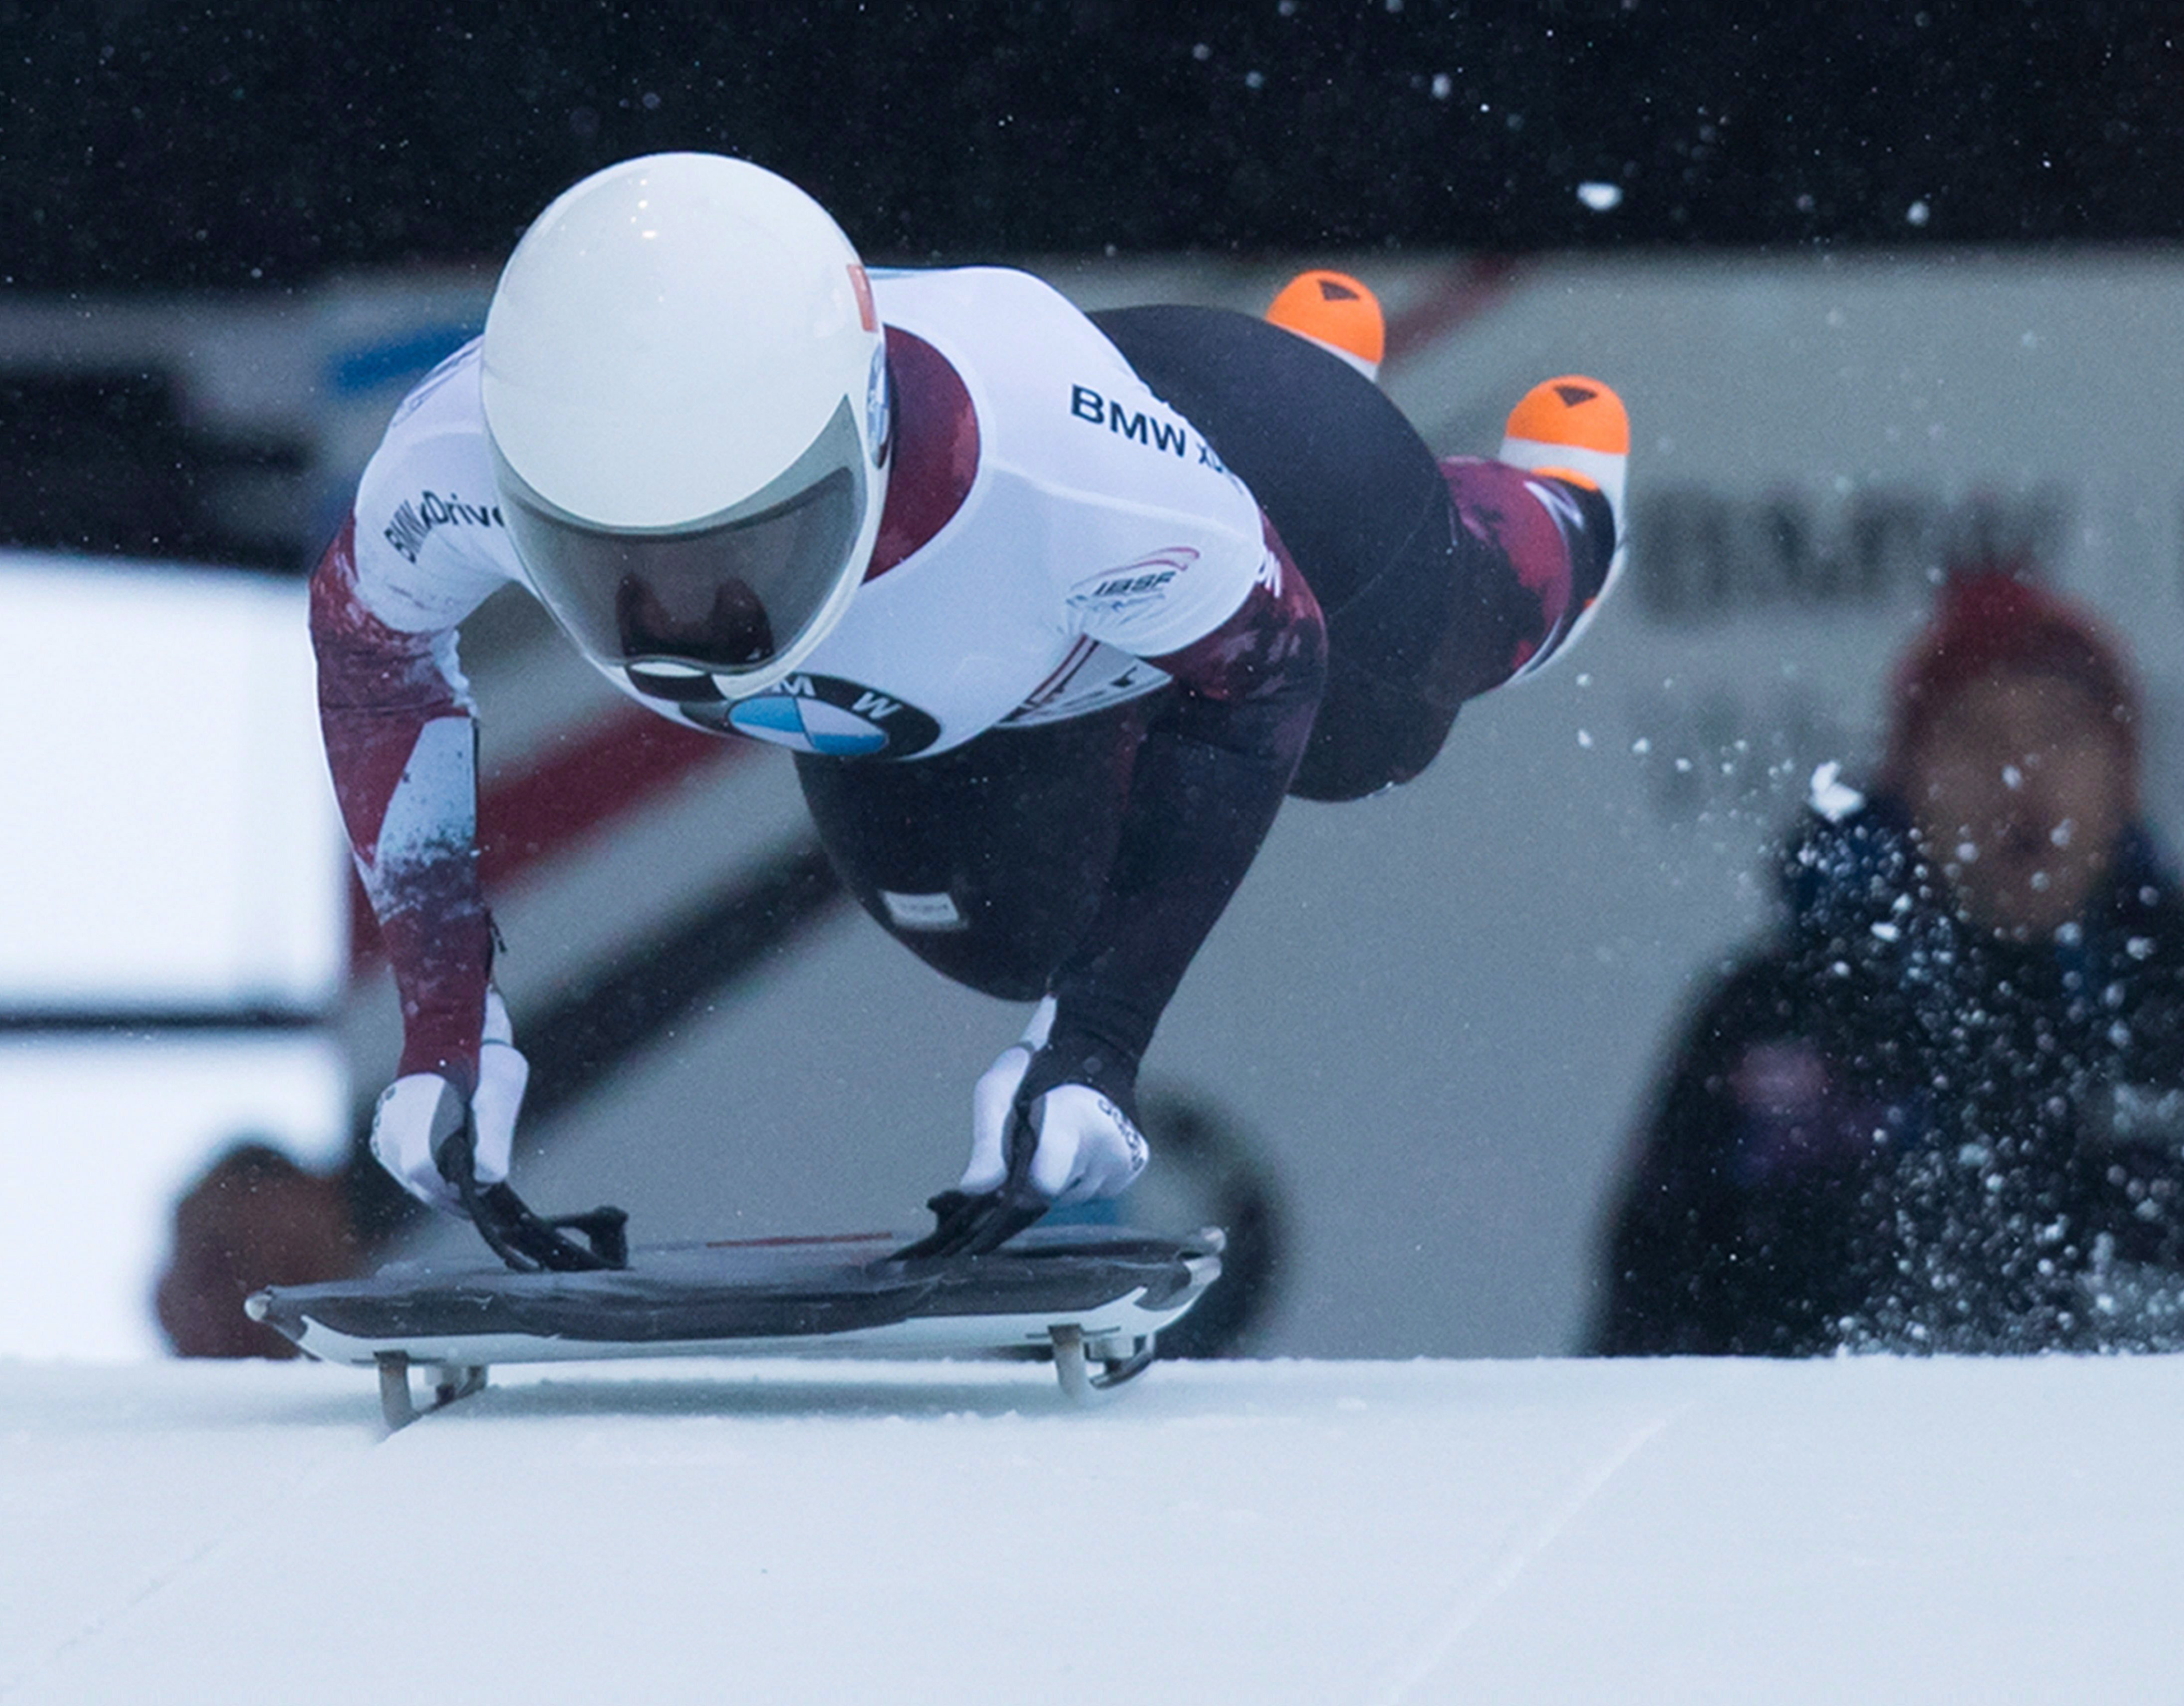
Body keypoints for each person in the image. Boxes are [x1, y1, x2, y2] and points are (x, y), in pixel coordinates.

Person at [314, 151, 1632, 1262]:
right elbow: (374, 654)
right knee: (1003, 942)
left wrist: (1101, 1045)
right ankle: (1296, 410)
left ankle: (1544, 498)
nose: (678, 625)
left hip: (1243, 478)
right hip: (1004, 659)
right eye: (608, 563)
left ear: (862, 448)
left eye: (736, 559)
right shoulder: (459, 457)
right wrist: (446, 1025)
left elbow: (1268, 677)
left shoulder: (1069, 482)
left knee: (1376, 731)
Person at [1593, 567, 2184, 1355]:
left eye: (2061, 736)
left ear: (2124, 775)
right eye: (1973, 736)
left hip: (2179, 1506)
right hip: (1828, 1504)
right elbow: (1645, 1343)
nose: (2017, 776)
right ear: (1908, 777)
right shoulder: (1772, 1021)